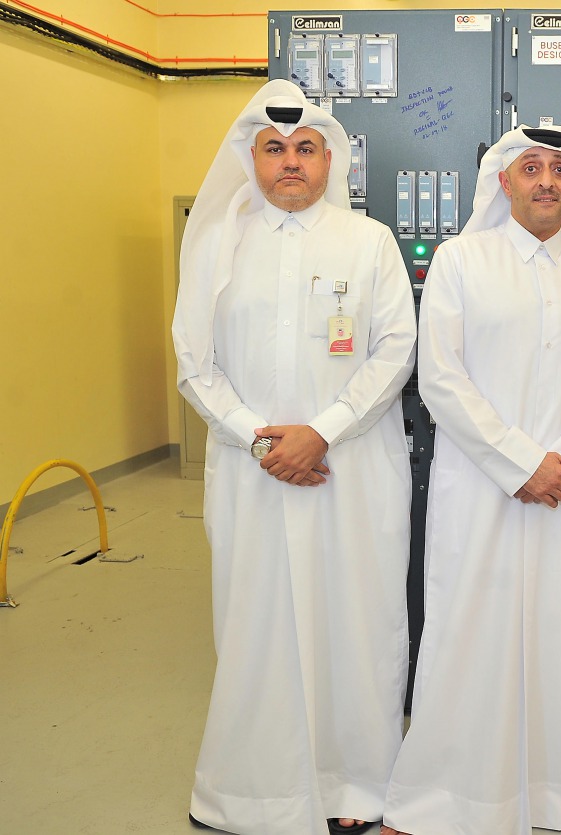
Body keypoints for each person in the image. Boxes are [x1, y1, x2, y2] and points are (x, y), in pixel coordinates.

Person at [380, 124, 561, 835]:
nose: (547, 181)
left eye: (560, 169)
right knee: (468, 633)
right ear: (505, 181)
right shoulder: (462, 261)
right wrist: (519, 462)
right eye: (532, 168)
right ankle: (442, 796)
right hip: (481, 488)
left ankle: (560, 794)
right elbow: (439, 378)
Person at [173, 79, 417, 835]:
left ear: (329, 159)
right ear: (252, 158)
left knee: (357, 625)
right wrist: (259, 436)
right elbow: (192, 361)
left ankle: (357, 788)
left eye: (305, 148)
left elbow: (395, 351)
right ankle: (251, 794)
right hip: (253, 474)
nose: (290, 162)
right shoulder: (217, 242)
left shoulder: (368, 241)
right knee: (258, 627)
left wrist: (323, 431)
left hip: (351, 469)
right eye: (274, 148)